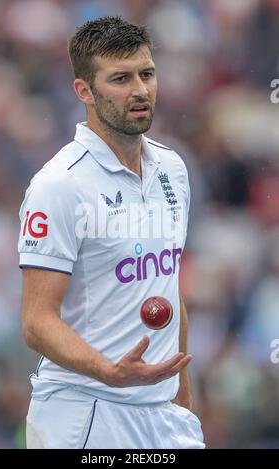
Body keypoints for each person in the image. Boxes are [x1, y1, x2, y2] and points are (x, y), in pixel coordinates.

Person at [18, 16, 205, 449]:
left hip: (162, 416)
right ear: (84, 91)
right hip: (85, 410)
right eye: (120, 78)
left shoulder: (173, 169)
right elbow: (36, 322)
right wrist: (109, 371)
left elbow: (168, 285)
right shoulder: (60, 185)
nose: (140, 90)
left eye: (147, 74)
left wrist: (182, 396)